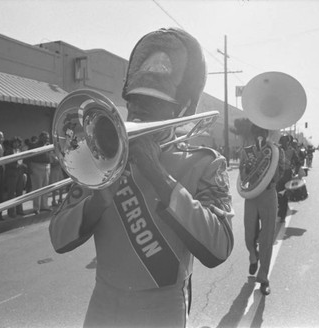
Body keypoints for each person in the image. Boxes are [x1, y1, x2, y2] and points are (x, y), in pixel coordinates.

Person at [49, 28, 234, 328]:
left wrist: (159, 177)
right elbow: (58, 236)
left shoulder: (204, 164)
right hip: (103, 304)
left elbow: (220, 246)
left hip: (163, 307)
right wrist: (100, 199)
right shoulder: (102, 158)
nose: (135, 116)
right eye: (133, 104)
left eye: (151, 107)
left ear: (182, 110)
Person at [240, 123, 283, 296]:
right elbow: (242, 177)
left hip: (268, 194)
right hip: (251, 195)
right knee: (249, 234)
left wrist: (270, 166)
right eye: (257, 132)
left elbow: (280, 174)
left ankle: (264, 278)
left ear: (267, 134)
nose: (260, 135)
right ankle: (253, 254)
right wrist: (248, 168)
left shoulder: (276, 151)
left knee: (267, 237)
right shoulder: (246, 151)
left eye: (263, 133)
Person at [28, 131, 52, 214]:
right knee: (37, 188)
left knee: (45, 187)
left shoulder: (48, 145)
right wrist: (29, 168)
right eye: (45, 137)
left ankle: (44, 206)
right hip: (36, 167)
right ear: (40, 137)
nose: (47, 139)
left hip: (47, 167)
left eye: (48, 138)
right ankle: (36, 207)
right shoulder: (34, 145)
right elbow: (28, 157)